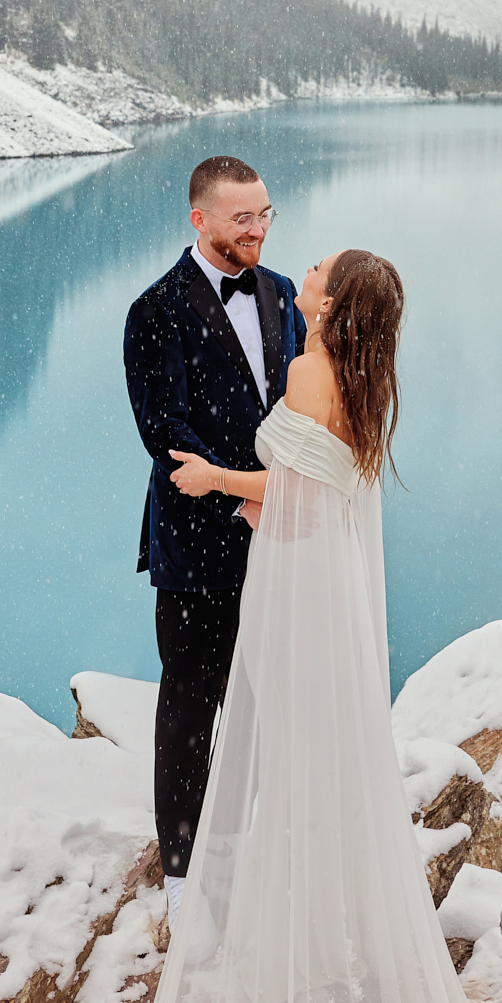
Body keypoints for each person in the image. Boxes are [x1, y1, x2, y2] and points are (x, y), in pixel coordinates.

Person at [82, 249, 502, 1003]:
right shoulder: (365, 374)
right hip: (324, 576)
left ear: (333, 299)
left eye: (319, 265)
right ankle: (328, 918)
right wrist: (257, 498)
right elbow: (323, 485)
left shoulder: (305, 368)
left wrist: (209, 477)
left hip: (293, 579)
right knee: (316, 744)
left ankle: (288, 934)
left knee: (275, 737)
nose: (304, 262)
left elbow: (285, 480)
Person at [123, 155, 307, 930]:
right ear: (199, 219)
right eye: (242, 218)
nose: (257, 229)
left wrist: (278, 496)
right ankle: (181, 874)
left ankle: (264, 855)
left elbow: (300, 406)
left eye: (264, 213)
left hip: (283, 541)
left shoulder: (283, 293)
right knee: (190, 712)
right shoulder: (154, 309)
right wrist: (241, 502)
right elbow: (163, 431)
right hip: (197, 551)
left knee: (274, 706)